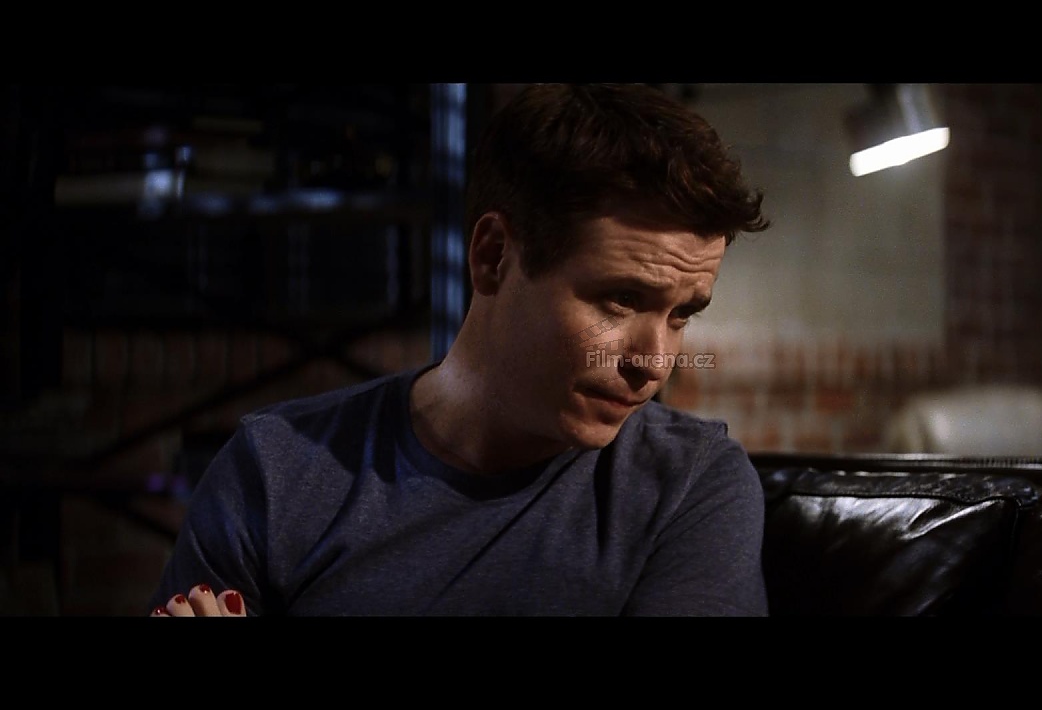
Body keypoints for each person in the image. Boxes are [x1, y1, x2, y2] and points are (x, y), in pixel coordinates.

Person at [147, 83, 772, 616]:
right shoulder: (276, 472)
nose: (655, 362)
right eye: (621, 299)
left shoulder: (690, 488)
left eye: (682, 314)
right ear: (493, 256)